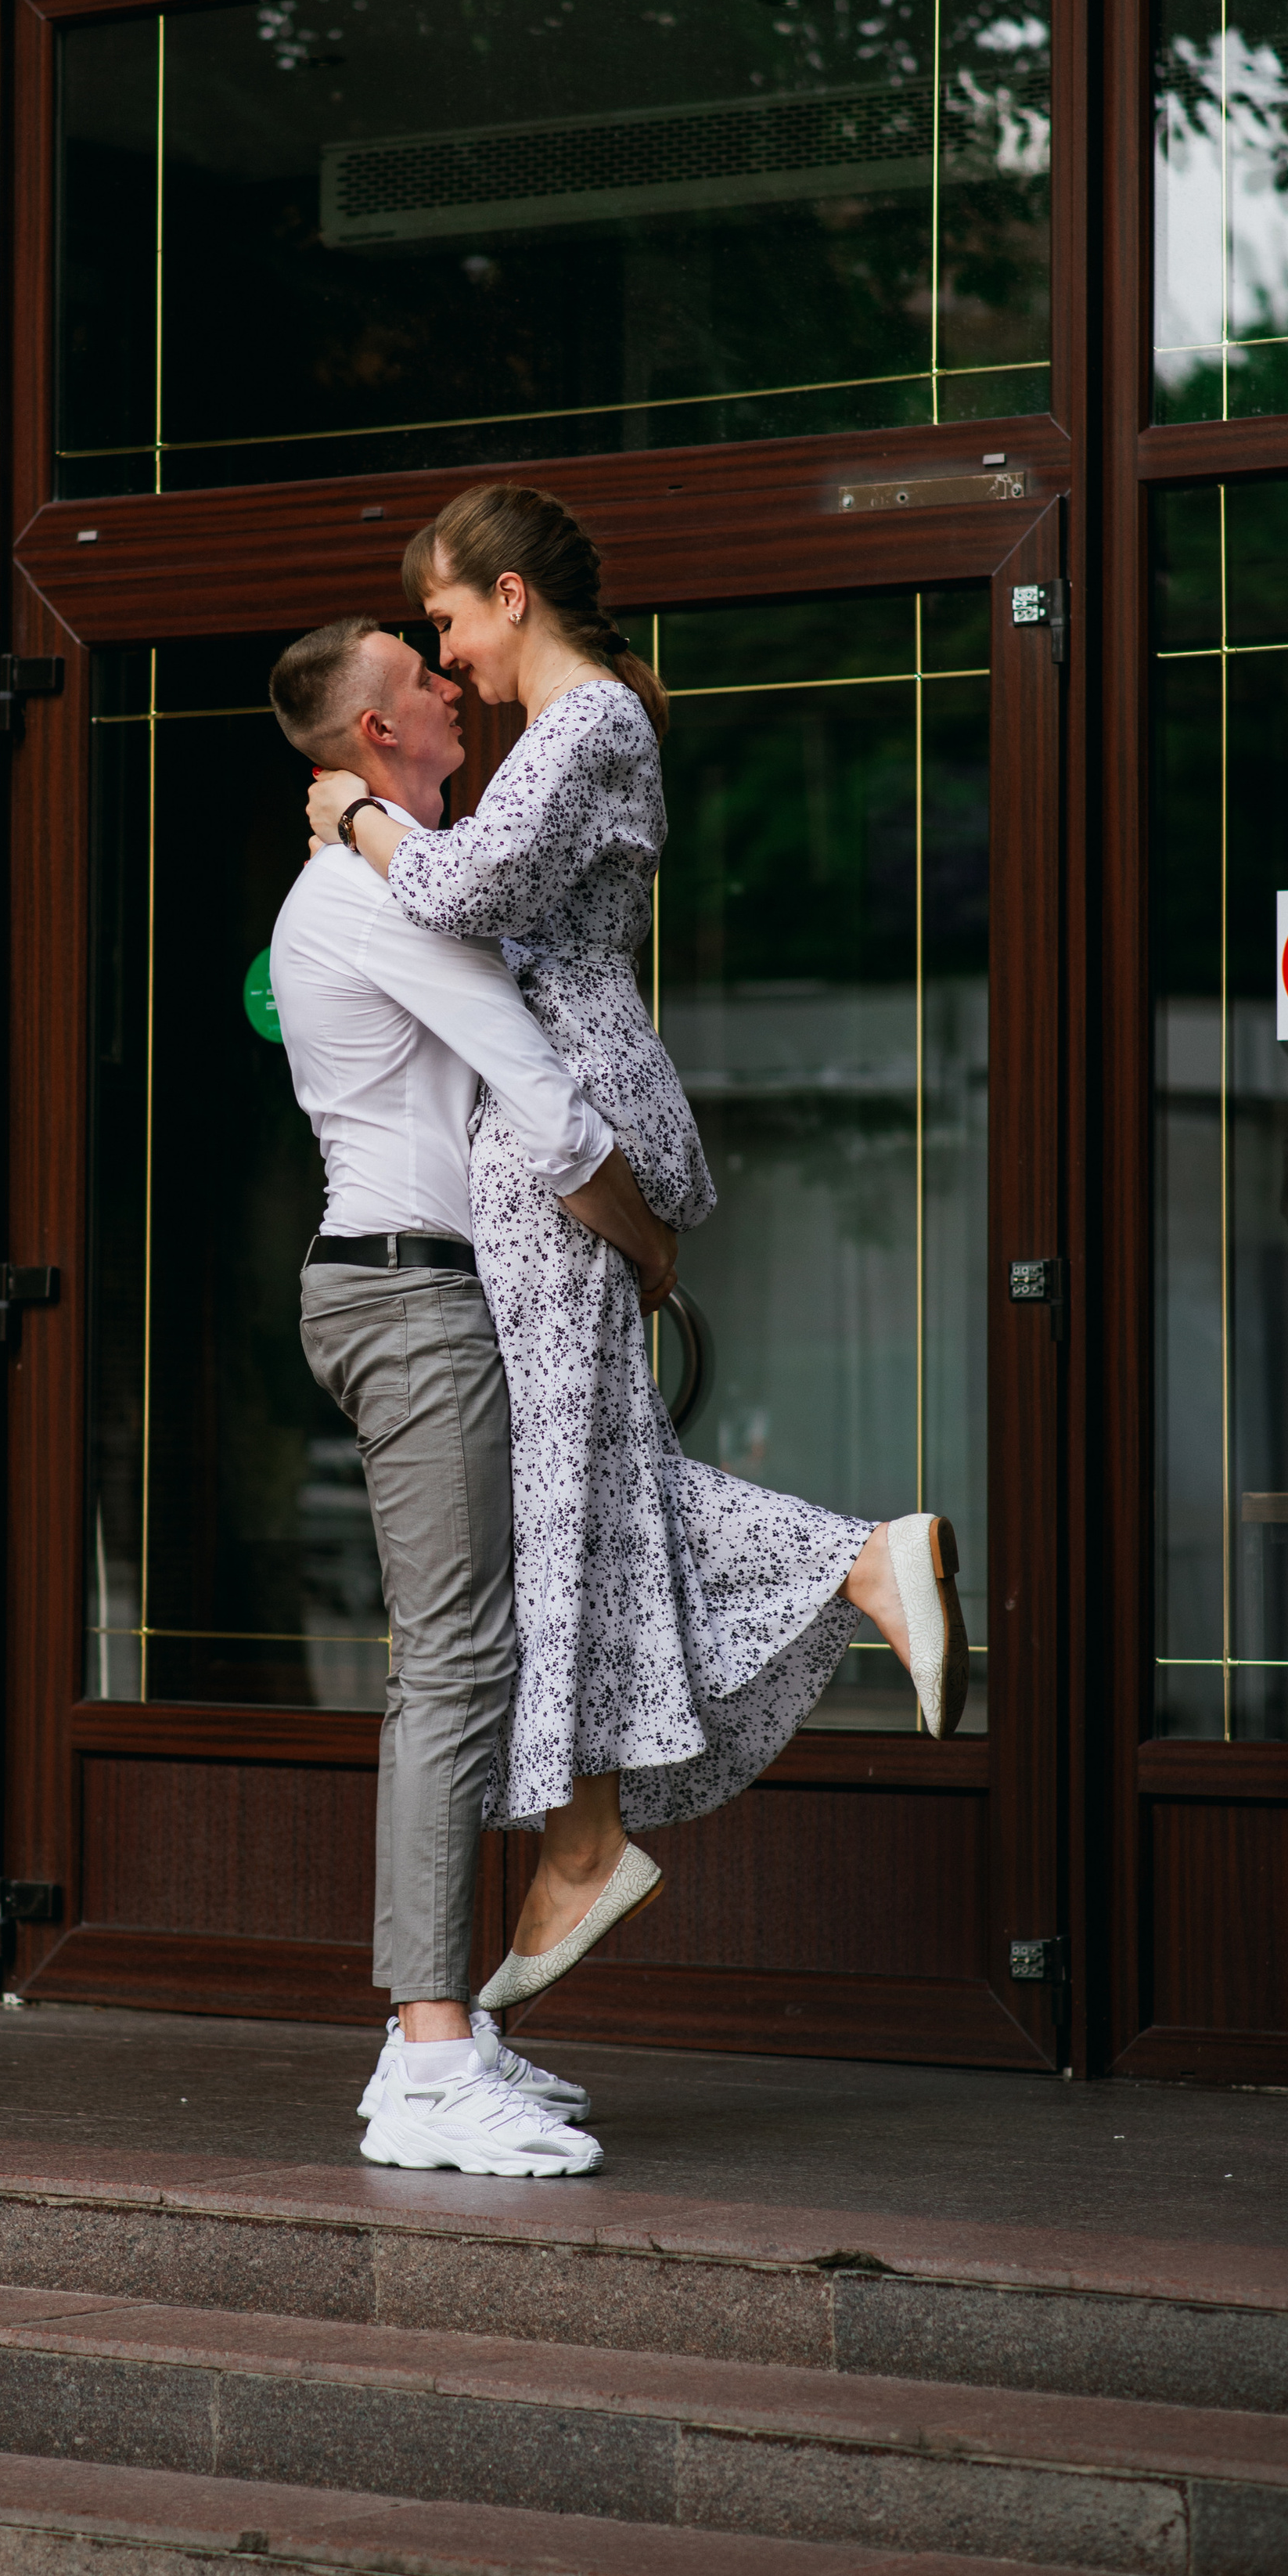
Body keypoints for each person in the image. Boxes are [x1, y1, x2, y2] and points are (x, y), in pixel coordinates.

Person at [304, 482, 966, 2019]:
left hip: (561, 1124)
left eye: (449, 617)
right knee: (572, 1481)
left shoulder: (587, 724)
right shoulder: (573, 733)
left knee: (561, 1484)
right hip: (552, 1121)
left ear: (513, 595)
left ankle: (819, 1604)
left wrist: (349, 808)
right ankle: (601, 1823)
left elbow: (462, 896)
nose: (442, 652)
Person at [268, 611, 674, 2176]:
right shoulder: (362, 905)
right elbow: (546, 1103)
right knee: (449, 1662)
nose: (450, 684)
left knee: (472, 1653)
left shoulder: (393, 872)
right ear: (380, 734)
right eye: (421, 677)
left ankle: (439, 2038)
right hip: (409, 1294)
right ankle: (427, 2053)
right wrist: (647, 1250)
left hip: (437, 1292)